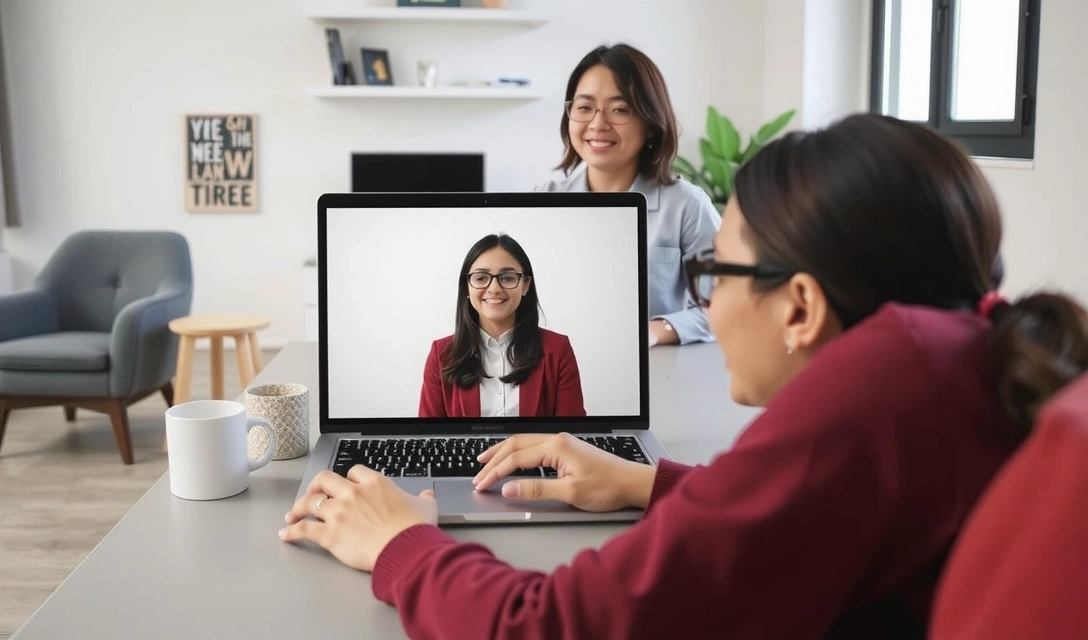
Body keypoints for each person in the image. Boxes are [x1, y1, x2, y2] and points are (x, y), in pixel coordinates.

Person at [279, 114, 1088, 639]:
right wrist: (646, 483)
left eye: (716, 272)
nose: (706, 297)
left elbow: (552, 625)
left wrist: (402, 543)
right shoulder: (949, 353)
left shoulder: (868, 394)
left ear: (799, 306)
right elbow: (804, 515)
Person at [537, 43, 720, 347]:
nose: (597, 124)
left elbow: (724, 305)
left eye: (620, 110)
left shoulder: (687, 206)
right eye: (584, 108)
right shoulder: (544, 201)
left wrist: (653, 331)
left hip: (658, 373)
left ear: (650, 122)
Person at [417, 233, 586, 418]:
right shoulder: (441, 354)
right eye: (481, 278)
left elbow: (572, 437)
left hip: (538, 449)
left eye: (507, 278)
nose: (494, 288)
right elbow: (428, 435)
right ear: (466, 286)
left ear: (525, 285)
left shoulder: (557, 350)